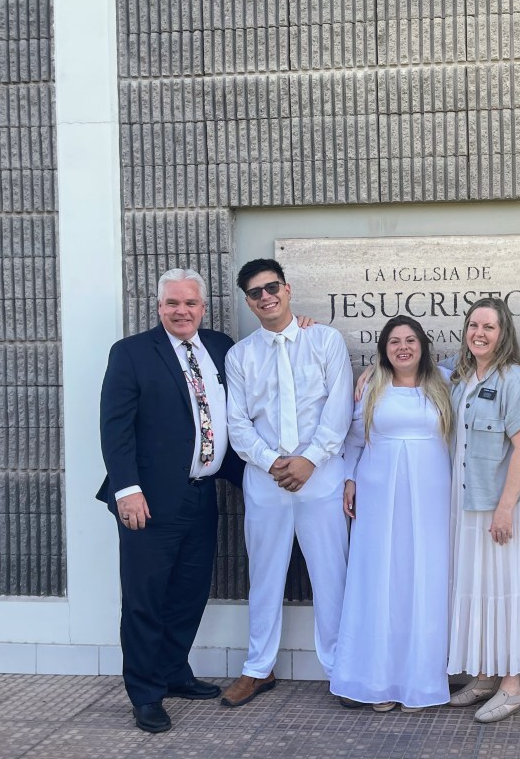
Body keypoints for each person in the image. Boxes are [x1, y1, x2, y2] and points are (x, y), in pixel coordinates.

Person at [97, 267, 245, 734]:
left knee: (188, 593)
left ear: (204, 307)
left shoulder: (220, 347)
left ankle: (173, 671)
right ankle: (145, 693)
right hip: (149, 500)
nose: (182, 311)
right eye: (173, 303)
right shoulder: (131, 353)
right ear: (159, 306)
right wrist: (127, 489)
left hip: (203, 494)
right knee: (145, 599)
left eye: (190, 303)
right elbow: (115, 427)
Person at [222, 258, 353, 708]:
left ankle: (341, 669)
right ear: (248, 302)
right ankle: (258, 669)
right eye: (255, 292)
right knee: (264, 577)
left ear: (288, 288)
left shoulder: (325, 340)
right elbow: (237, 423)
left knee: (331, 576)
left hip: (322, 478)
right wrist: (273, 462)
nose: (266, 297)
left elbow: (339, 409)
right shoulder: (240, 356)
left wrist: (309, 460)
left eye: (272, 287)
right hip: (266, 481)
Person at [330, 316, 453, 712]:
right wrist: (349, 478)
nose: (403, 347)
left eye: (410, 340)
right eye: (394, 341)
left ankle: (418, 679)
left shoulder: (445, 383)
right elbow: (354, 439)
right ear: (383, 349)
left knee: (423, 578)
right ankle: (376, 679)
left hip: (432, 496)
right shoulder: (372, 387)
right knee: (378, 578)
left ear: (423, 346)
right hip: (378, 495)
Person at [446, 297, 520, 724]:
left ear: (504, 333)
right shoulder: (462, 379)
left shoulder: (516, 380)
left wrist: (504, 509)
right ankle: (485, 675)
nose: (480, 333)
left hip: (509, 506)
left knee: (510, 589)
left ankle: (512, 686)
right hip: (472, 504)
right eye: (474, 325)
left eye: (489, 326)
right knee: (481, 588)